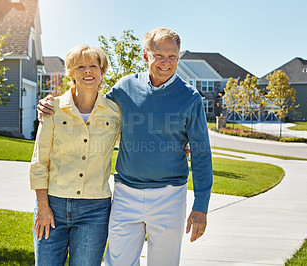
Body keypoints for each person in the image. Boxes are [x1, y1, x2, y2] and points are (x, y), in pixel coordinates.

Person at [38, 27, 213, 266]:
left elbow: (202, 155)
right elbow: (91, 103)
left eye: (172, 56)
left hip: (170, 195)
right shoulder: (125, 87)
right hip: (126, 194)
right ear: (145, 56)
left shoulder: (190, 97)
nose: (166, 62)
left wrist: (200, 206)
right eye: (159, 55)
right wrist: (52, 104)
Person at [30, 44, 121, 265]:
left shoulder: (115, 112)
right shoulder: (53, 108)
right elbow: (39, 162)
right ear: (71, 72)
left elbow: (138, 141)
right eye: (80, 66)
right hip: (52, 206)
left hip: (95, 211)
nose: (88, 71)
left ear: (102, 72)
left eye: (93, 66)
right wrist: (42, 206)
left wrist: (179, 145)